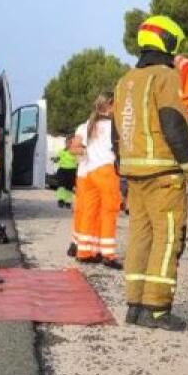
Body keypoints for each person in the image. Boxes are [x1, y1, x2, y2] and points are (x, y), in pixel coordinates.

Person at [112, 15, 188, 331]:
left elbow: (117, 130)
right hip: (164, 175)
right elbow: (174, 124)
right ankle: (157, 309)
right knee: (167, 241)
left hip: (133, 174)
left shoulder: (125, 80)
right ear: (168, 42)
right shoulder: (165, 77)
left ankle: (135, 306)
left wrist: (121, 165)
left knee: (139, 239)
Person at [71, 94, 123, 268]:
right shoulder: (113, 126)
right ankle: (108, 254)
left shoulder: (89, 125)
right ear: (109, 106)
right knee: (109, 213)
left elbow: (76, 147)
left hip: (91, 171)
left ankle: (84, 252)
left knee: (89, 212)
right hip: (107, 171)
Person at [54, 141, 77, 211]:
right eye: (67, 143)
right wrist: (55, 159)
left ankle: (68, 202)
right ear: (65, 143)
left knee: (69, 187)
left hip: (72, 171)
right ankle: (61, 200)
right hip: (62, 170)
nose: (69, 145)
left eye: (71, 143)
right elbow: (57, 159)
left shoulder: (75, 152)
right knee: (61, 186)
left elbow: (79, 161)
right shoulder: (61, 151)